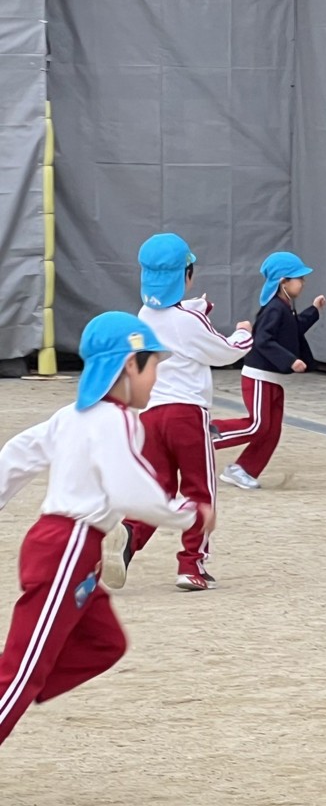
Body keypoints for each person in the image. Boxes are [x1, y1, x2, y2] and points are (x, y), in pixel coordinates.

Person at [0, 312, 215, 745]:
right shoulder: (116, 420)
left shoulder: (72, 416)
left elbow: (16, 455)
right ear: (129, 365)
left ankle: (21, 682)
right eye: (153, 365)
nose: (157, 377)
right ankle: (18, 684)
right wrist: (188, 514)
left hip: (72, 549)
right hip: (68, 547)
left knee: (105, 643)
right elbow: (131, 489)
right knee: (22, 671)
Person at [118, 234, 251, 592]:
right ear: (186, 275)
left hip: (150, 416)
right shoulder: (189, 321)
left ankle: (128, 534)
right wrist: (244, 335)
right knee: (199, 489)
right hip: (187, 414)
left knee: (157, 488)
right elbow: (223, 351)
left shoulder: (144, 315)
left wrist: (198, 308)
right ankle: (192, 565)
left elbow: (175, 319)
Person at [213, 252, 325, 490]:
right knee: (257, 425)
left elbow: (293, 330)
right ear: (283, 281)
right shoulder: (274, 308)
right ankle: (202, 437)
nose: (303, 282)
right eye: (299, 278)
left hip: (272, 379)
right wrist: (290, 360)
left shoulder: (284, 306)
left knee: (271, 430)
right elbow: (262, 340)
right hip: (259, 377)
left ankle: (242, 469)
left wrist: (314, 310)